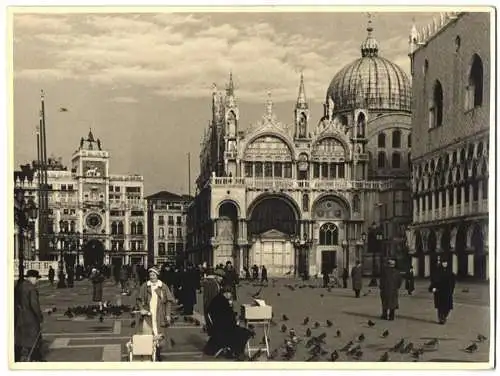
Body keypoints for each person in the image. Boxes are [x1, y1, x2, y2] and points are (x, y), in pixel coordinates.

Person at [204, 285, 253, 360]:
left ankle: (234, 351)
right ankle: (238, 353)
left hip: (217, 329)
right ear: (226, 293)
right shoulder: (223, 302)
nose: (231, 295)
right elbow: (228, 318)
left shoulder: (216, 299)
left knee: (240, 331)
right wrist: (236, 320)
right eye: (230, 294)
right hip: (223, 331)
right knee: (245, 333)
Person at [14, 270, 44, 361]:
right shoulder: (32, 289)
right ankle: (36, 357)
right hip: (31, 318)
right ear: (32, 278)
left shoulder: (19, 286)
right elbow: (34, 305)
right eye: (36, 278)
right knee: (34, 338)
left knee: (20, 339)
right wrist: (40, 317)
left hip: (20, 316)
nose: (37, 281)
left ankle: (16, 357)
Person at [428, 258, 456, 324]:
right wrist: (433, 288)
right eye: (443, 262)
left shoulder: (451, 273)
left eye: (445, 262)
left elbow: (453, 283)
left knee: (448, 307)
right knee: (440, 307)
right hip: (439, 292)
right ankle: (441, 319)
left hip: (447, 292)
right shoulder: (437, 272)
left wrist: (451, 290)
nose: (444, 264)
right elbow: (433, 281)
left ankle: (444, 316)